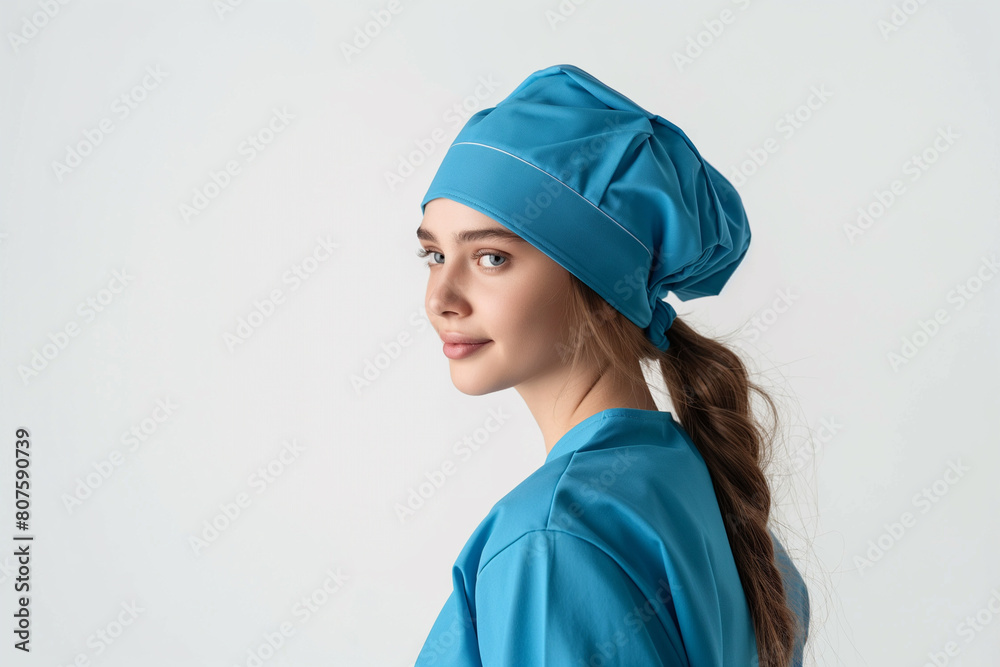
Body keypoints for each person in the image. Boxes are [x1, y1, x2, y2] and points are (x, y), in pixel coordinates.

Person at [412, 63, 810, 666]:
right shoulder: (696, 486)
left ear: (602, 288)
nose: (441, 298)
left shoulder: (551, 540)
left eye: (492, 257)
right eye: (434, 255)